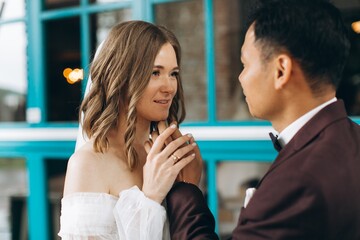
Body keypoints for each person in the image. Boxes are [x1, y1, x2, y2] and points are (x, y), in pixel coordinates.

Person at [161, 0, 360, 239]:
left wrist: (187, 190)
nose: (241, 78)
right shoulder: (350, 140)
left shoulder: (296, 184)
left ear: (280, 70)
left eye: (245, 64)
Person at [58, 20, 201, 239]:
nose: (169, 87)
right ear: (121, 78)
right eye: (155, 73)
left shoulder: (169, 155)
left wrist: (190, 187)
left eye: (173, 73)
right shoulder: (88, 163)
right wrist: (151, 196)